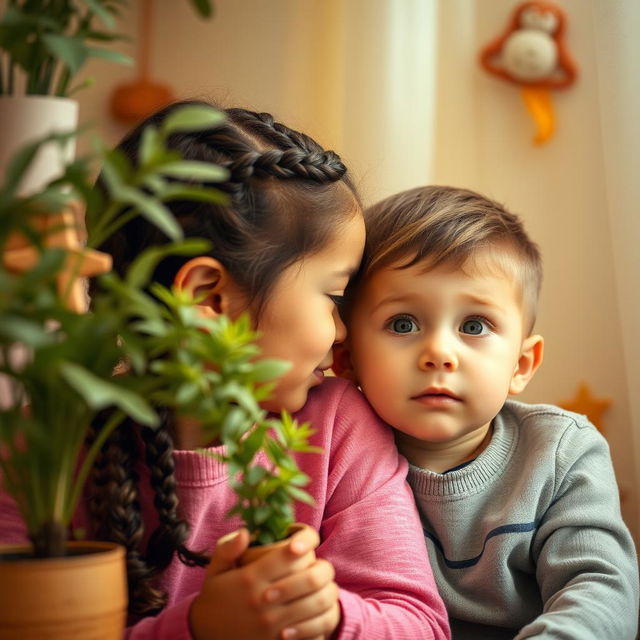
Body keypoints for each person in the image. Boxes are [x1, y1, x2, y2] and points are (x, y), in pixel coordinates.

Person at [0, 103, 452, 640]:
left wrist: (329, 617)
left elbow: (421, 624)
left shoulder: (339, 426)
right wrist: (199, 628)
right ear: (207, 297)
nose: (341, 332)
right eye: (333, 296)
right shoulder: (40, 457)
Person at [335, 185, 639, 639]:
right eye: (403, 323)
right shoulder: (335, 455)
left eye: (473, 326)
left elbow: (601, 588)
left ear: (520, 364)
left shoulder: (561, 452)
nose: (439, 353)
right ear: (348, 357)